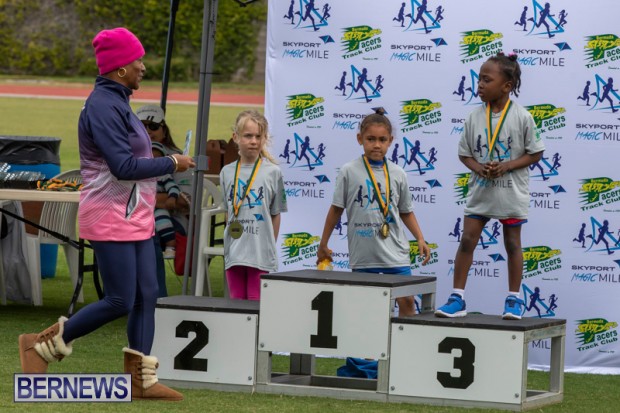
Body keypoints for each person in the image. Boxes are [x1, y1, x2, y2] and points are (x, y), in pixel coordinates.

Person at [18, 27, 195, 401]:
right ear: (120, 68)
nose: (143, 67)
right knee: (119, 299)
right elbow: (123, 167)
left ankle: (140, 381)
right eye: (138, 61)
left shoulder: (119, 101)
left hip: (135, 216)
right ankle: (40, 346)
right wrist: (171, 162)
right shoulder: (102, 106)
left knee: (147, 295)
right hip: (109, 215)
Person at [435, 53, 545, 320]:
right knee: (467, 240)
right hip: (481, 192)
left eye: (487, 80)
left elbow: (536, 152)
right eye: (479, 79)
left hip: (511, 194)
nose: (480, 85)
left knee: (512, 244)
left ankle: (513, 299)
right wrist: (478, 168)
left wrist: (507, 165)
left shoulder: (522, 117)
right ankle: (457, 298)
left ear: (506, 86)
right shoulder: (474, 117)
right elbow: (465, 154)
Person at [316, 108, 431, 317]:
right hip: (364, 254)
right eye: (370, 139)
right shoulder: (349, 171)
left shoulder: (398, 173)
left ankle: (404, 339)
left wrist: (420, 238)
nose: (376, 145)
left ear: (390, 141)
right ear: (360, 139)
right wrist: (323, 243)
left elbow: (406, 211)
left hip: (395, 252)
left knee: (407, 300)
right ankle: (367, 341)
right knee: (365, 306)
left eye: (382, 139)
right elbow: (336, 209)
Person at [219, 110, 287, 300]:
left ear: (265, 138)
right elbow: (228, 211)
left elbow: (276, 213)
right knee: (236, 304)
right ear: (236, 137)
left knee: (256, 304)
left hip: (260, 253)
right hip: (235, 253)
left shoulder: (273, 172)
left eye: (258, 136)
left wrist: (269, 245)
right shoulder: (226, 172)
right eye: (248, 136)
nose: (254, 141)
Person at [152, 141, 182, 259]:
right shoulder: (142, 175)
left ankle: (171, 246)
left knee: (163, 222)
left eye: (158, 159)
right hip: (144, 208)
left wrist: (172, 197)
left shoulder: (163, 175)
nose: (154, 162)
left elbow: (173, 187)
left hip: (158, 207)